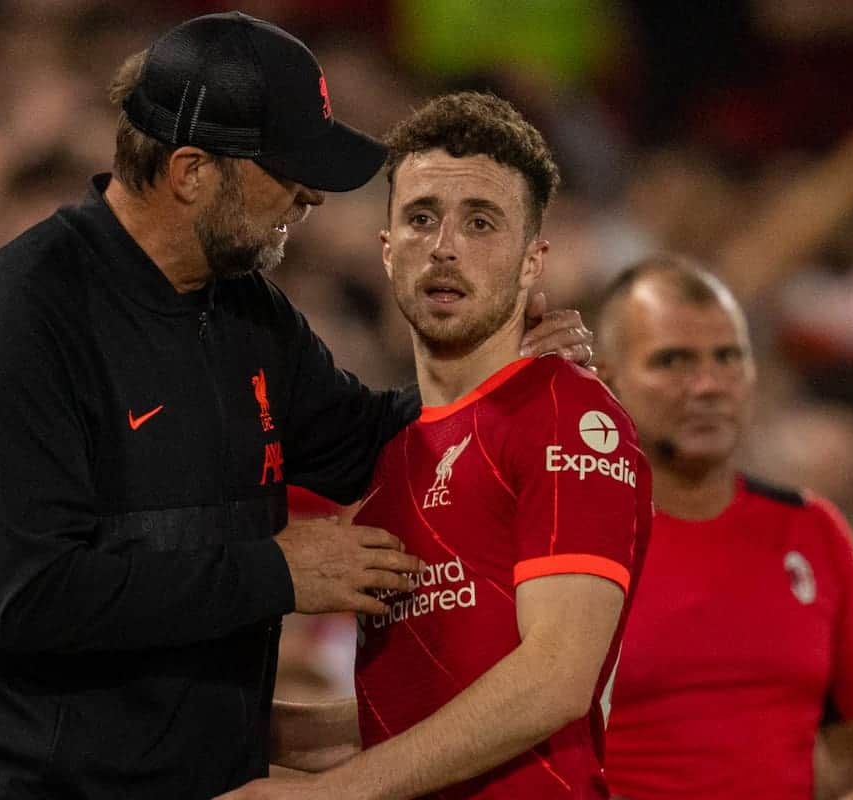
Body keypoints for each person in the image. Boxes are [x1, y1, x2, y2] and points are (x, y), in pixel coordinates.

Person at [0, 14, 593, 800]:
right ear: (192, 171)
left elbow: (368, 441)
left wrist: (500, 376)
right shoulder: (25, 316)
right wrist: (273, 571)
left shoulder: (246, 310)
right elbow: (29, 596)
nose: (310, 195)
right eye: (288, 168)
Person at [221, 92, 652, 799]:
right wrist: (220, 731)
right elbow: (414, 721)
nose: (445, 245)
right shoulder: (390, 456)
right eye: (421, 218)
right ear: (388, 252)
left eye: (481, 222)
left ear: (532, 262)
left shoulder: (566, 411)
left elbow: (554, 678)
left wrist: (327, 796)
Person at [592, 254, 853, 799]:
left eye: (728, 358)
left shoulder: (813, 531)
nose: (709, 385)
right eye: (673, 362)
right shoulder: (565, 536)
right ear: (608, 381)